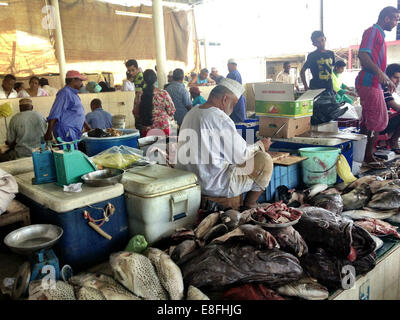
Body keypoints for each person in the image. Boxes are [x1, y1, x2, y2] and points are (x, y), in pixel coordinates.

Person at [175, 78, 274, 208]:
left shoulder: (192, 112)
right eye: (234, 104)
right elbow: (241, 155)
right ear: (225, 99)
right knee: (265, 160)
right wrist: (261, 145)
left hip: (190, 181)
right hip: (214, 185)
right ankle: (250, 204)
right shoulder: (219, 118)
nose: (233, 108)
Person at [356, 6, 399, 168]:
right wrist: (381, 74)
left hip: (374, 83)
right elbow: (363, 54)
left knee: (370, 121)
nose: (396, 22)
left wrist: (386, 81)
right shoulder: (373, 31)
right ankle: (368, 156)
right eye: (395, 18)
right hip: (369, 82)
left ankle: (364, 155)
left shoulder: (379, 34)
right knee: (377, 120)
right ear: (386, 18)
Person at [44, 70, 88, 144]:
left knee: (73, 153)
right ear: (73, 80)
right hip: (66, 131)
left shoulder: (73, 94)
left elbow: (76, 113)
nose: (81, 83)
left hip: (73, 131)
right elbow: (54, 113)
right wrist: (49, 132)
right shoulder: (64, 93)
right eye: (80, 80)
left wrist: (87, 127)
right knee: (69, 154)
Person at [133, 69, 175, 137]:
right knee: (165, 147)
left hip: (147, 129)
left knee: (149, 148)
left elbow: (136, 113)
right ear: (156, 80)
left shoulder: (139, 95)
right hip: (163, 127)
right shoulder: (163, 93)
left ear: (144, 80)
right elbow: (171, 110)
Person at [379, 64, 400, 154]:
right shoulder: (383, 88)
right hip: (378, 125)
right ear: (387, 76)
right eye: (395, 78)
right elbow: (393, 104)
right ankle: (393, 142)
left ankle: (388, 141)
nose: (398, 81)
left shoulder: (388, 88)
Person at [227, 58, 247, 123]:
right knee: (241, 120)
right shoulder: (237, 73)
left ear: (231, 65)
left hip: (234, 100)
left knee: (235, 122)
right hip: (239, 99)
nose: (228, 68)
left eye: (228, 66)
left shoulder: (232, 74)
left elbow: (227, 88)